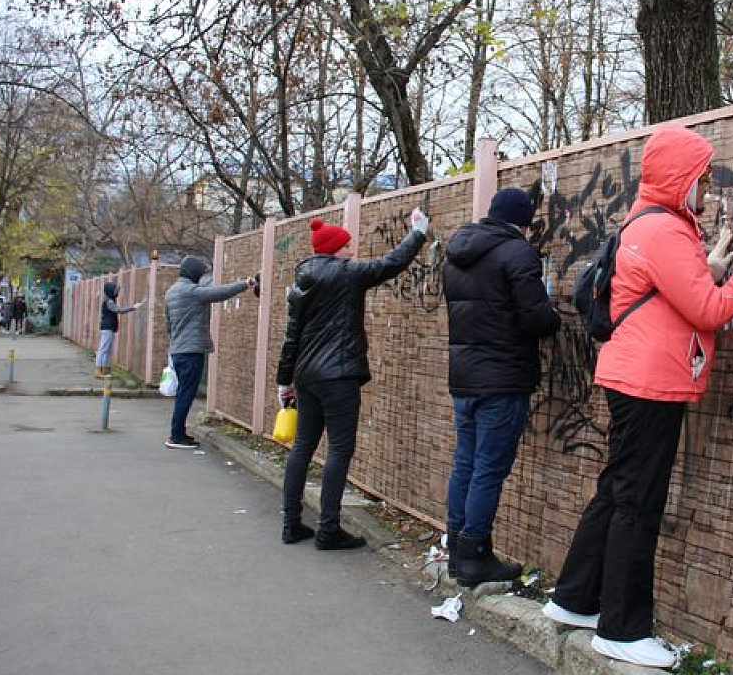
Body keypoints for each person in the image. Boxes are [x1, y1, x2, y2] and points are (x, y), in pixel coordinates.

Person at [541, 126, 733, 668]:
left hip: (634, 377)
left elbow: (670, 290)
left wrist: (712, 266)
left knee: (616, 491)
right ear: (680, 177)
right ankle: (622, 630)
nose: (707, 188)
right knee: (637, 502)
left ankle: (575, 599)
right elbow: (707, 309)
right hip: (650, 382)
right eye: (702, 178)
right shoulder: (665, 230)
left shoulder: (647, 223)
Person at [275, 210, 429, 550]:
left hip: (306, 376)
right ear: (334, 249)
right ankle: (328, 529)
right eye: (347, 246)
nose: (352, 250)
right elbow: (391, 264)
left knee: (302, 447)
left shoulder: (301, 282)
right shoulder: (347, 274)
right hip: (339, 375)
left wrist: (284, 381)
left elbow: (291, 336)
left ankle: (291, 524)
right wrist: (418, 232)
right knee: (340, 450)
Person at [442, 187, 561, 587]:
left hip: (464, 378)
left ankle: (457, 552)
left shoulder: (457, 253)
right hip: (503, 378)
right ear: (523, 221)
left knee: (466, 463)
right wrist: (554, 316)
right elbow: (535, 318)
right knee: (489, 468)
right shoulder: (517, 252)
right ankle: (475, 554)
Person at [163, 256, 256, 450]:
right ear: (193, 273)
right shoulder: (191, 291)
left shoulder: (171, 292)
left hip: (178, 350)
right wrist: (246, 283)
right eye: (199, 273)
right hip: (191, 351)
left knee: (183, 393)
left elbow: (168, 324)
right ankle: (176, 435)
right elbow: (219, 293)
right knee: (186, 394)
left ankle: (178, 432)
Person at [94, 281, 144, 378]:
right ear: (110, 291)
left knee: (107, 350)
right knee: (103, 349)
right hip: (107, 328)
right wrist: (133, 307)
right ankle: (98, 371)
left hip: (109, 328)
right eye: (115, 290)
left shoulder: (109, 300)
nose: (116, 292)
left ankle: (105, 371)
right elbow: (118, 310)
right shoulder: (109, 301)